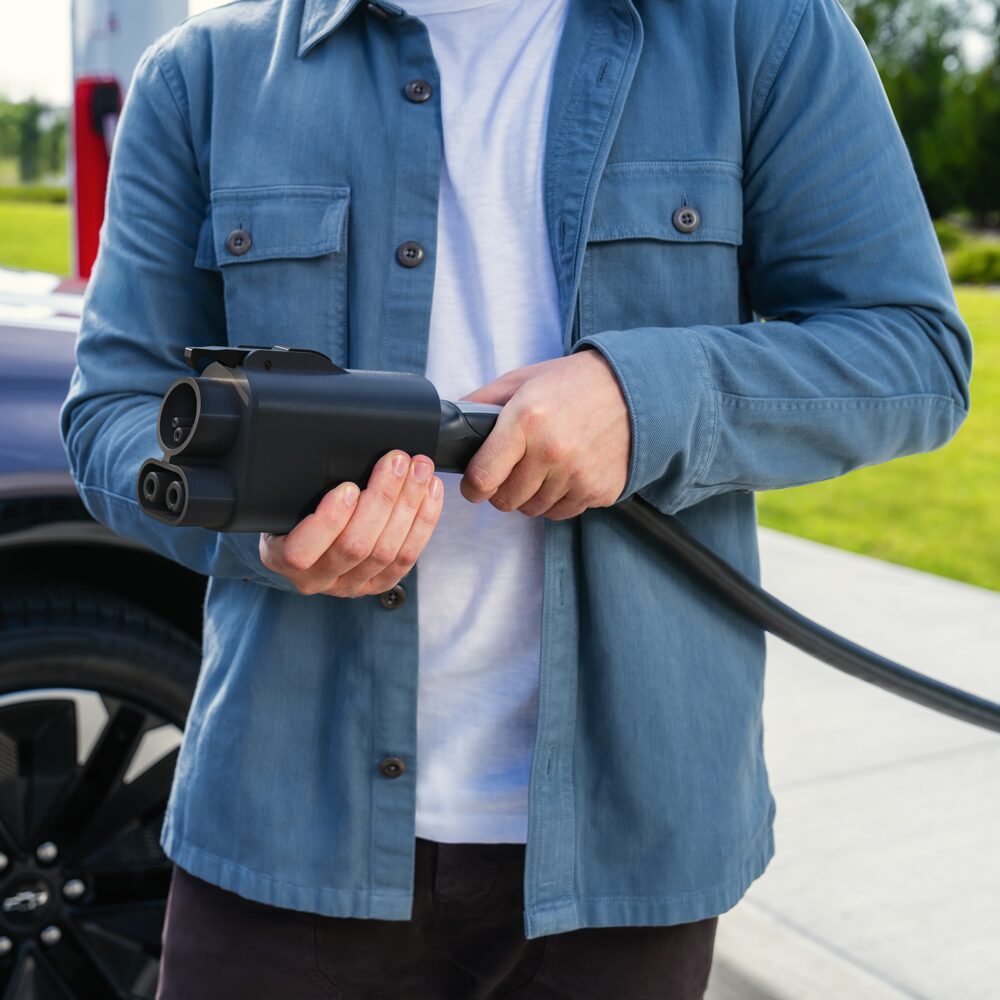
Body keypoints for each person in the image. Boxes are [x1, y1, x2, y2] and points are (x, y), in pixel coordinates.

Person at [60, 0, 972, 996]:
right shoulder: (202, 74)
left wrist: (641, 400)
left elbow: (910, 351)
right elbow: (113, 410)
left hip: (626, 866)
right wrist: (255, 532)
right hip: (282, 842)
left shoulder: (756, 31)